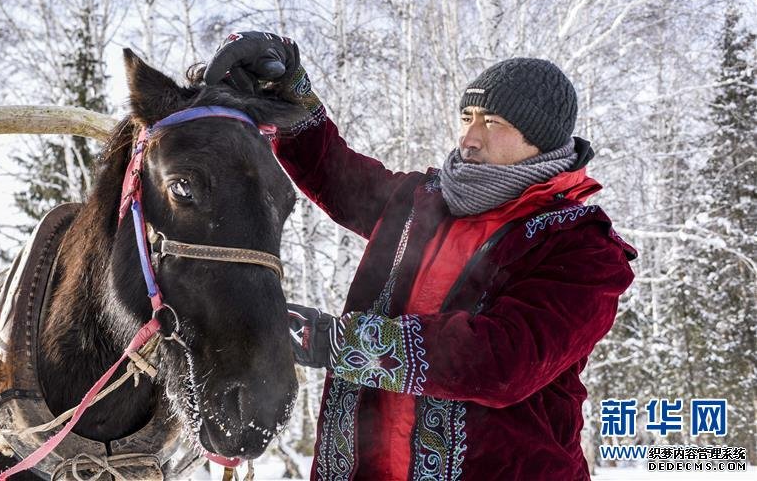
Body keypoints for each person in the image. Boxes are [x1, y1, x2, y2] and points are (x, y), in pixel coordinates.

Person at [204, 31, 637, 481]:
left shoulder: (583, 247)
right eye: (467, 117)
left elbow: (502, 361)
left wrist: (338, 342)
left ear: (540, 138)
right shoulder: (421, 200)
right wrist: (287, 91)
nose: (469, 137)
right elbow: (333, 171)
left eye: (492, 122)